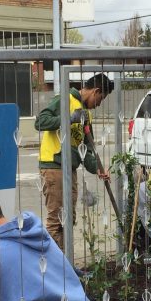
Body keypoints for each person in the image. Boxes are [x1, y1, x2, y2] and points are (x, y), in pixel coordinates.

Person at [35, 73, 114, 251]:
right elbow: (40, 122)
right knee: (56, 221)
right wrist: (68, 118)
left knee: (68, 219)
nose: (99, 104)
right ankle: (56, 271)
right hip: (53, 166)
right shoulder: (64, 99)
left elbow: (86, 150)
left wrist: (98, 169)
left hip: (70, 169)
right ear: (96, 91)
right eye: (101, 99)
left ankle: (66, 265)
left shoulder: (86, 115)